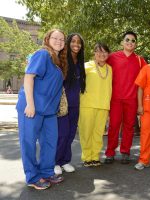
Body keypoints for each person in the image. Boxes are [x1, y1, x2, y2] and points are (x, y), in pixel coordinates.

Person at [16, 29, 67, 190]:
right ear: (47, 39)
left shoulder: (58, 61)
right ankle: (32, 176)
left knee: (50, 142)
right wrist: (30, 104)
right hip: (32, 108)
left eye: (62, 39)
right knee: (29, 142)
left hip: (49, 111)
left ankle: (46, 171)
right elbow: (29, 77)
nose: (59, 41)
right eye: (55, 38)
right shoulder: (43, 54)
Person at [104, 31, 147, 164]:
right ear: (122, 42)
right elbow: (100, 68)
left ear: (136, 44)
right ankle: (110, 152)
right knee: (114, 126)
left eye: (133, 40)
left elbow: (148, 77)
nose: (130, 42)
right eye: (127, 39)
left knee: (129, 127)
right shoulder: (112, 57)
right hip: (115, 98)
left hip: (132, 99)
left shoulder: (140, 60)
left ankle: (125, 152)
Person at [54, 33, 86, 175]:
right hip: (62, 103)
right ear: (68, 43)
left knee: (71, 134)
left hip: (75, 104)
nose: (76, 44)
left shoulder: (79, 62)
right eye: (73, 41)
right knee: (62, 133)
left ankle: (65, 160)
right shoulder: (62, 59)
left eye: (79, 43)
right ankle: (55, 162)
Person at [78, 43, 112, 167]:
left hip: (103, 105)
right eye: (99, 51)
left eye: (104, 51)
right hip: (87, 104)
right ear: (94, 53)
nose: (102, 54)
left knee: (98, 133)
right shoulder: (86, 66)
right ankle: (87, 157)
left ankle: (95, 156)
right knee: (86, 132)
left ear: (108, 54)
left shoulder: (110, 68)